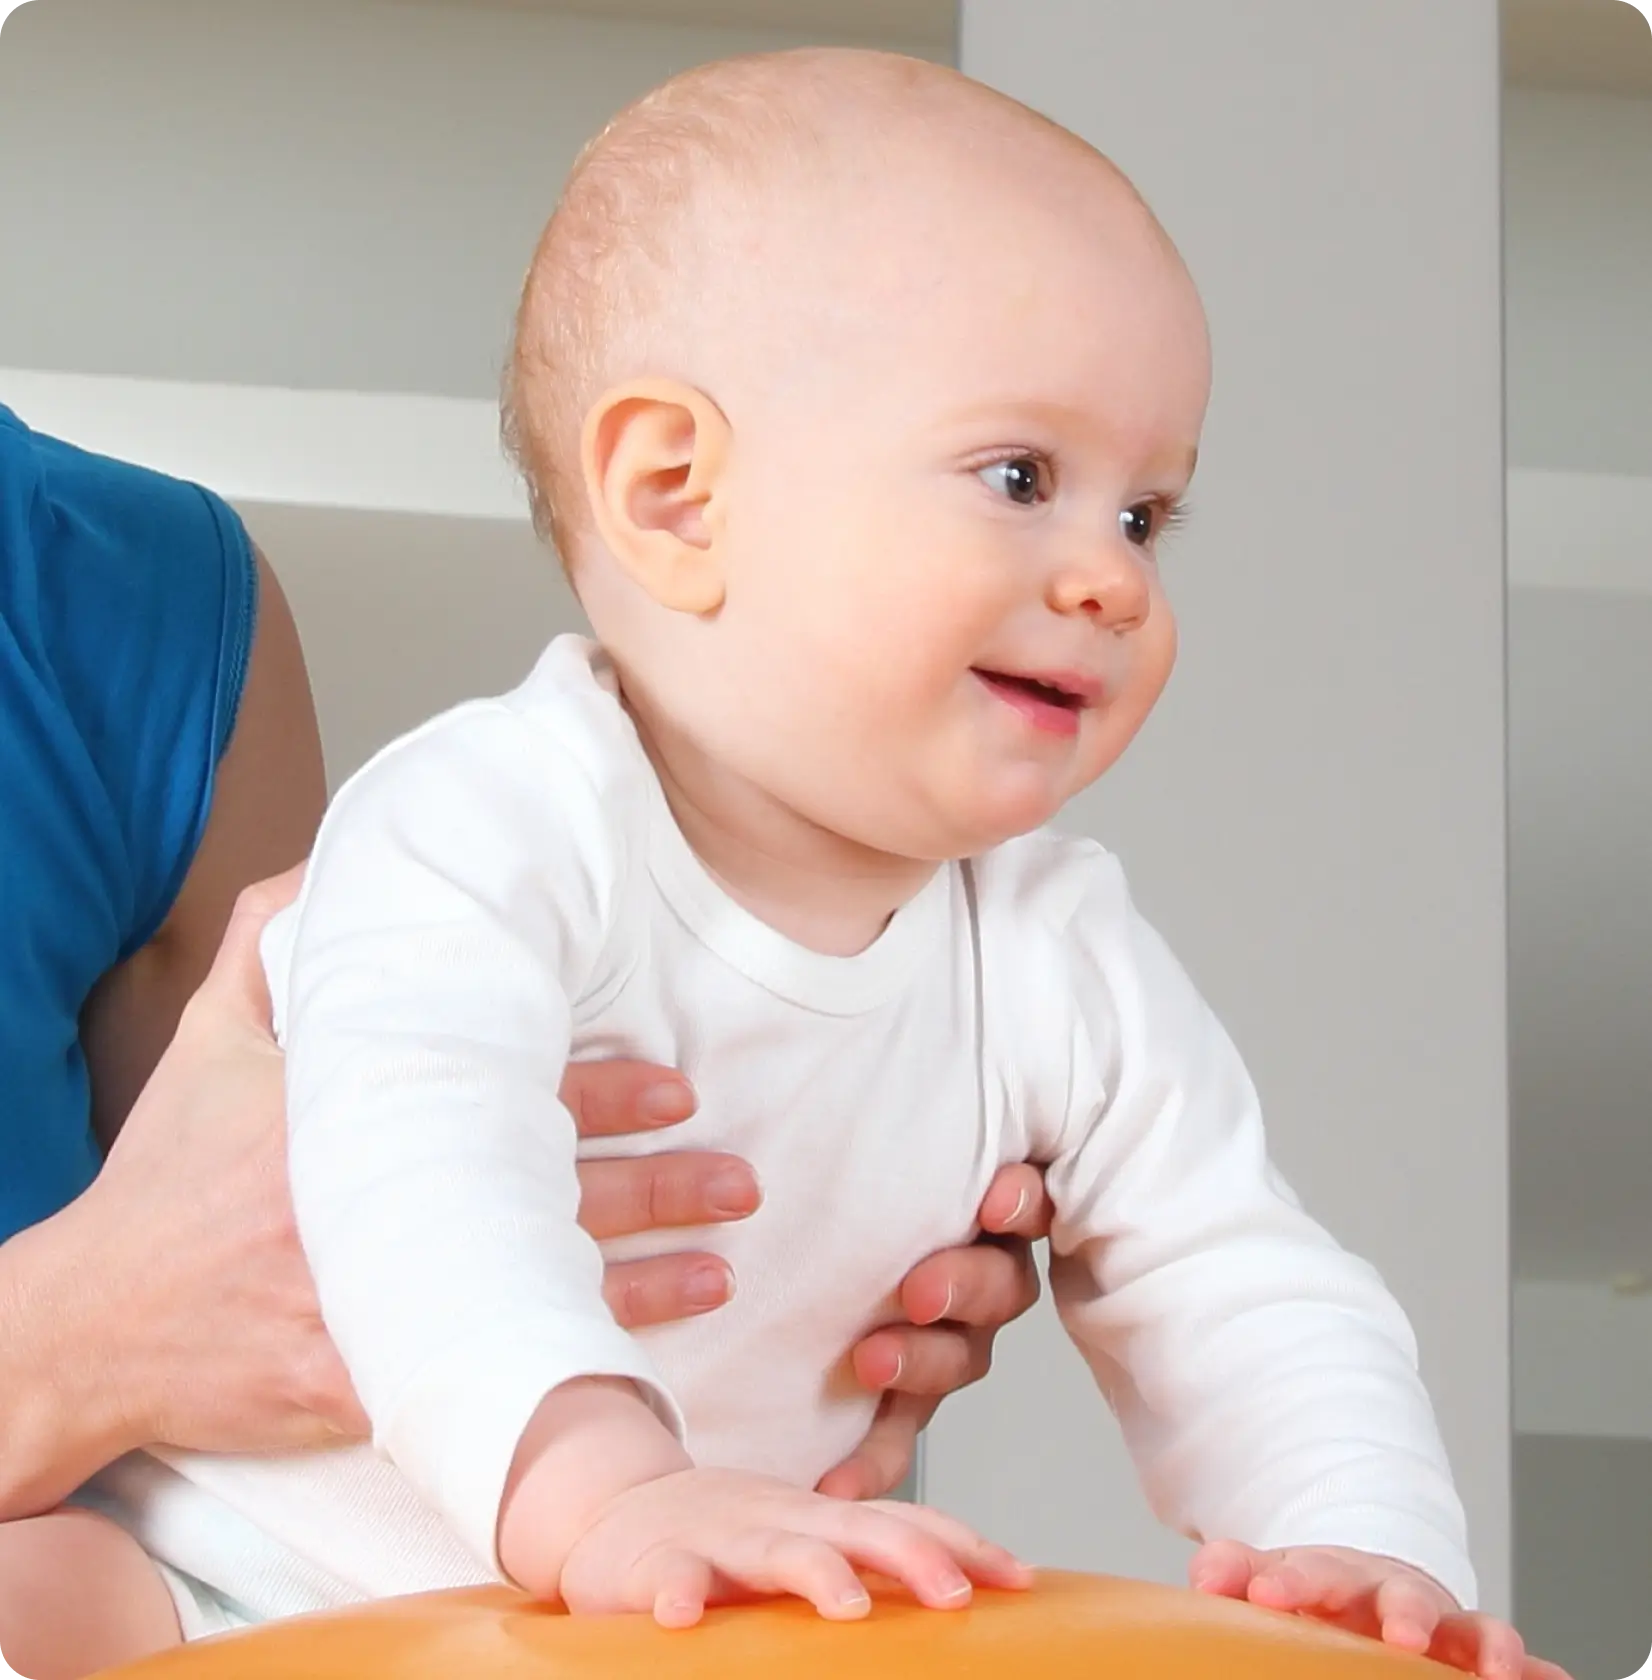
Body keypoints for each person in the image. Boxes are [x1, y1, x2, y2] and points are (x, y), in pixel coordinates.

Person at [0, 47, 1566, 1680]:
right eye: (1021, 479)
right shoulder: (485, 822)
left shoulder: (1054, 950)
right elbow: (422, 1155)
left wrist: (1364, 1549)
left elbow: (1238, 1273)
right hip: (239, 1578)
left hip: (670, 1608)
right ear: (677, 497)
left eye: (1146, 515)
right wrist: (607, 1490)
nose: (1108, 577)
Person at [0, 388, 1051, 1674]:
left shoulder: (146, 600)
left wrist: (836, 1229)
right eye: (1015, 481)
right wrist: (70, 1335)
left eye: (1140, 514)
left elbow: (258, 1228)